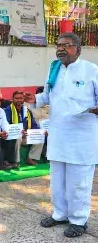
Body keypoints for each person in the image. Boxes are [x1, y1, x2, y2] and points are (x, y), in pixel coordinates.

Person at [24, 32, 98, 238]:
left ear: (78, 49)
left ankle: (79, 220)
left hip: (81, 137)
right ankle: (60, 214)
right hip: (58, 133)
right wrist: (34, 98)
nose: (60, 48)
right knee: (57, 181)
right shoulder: (54, 69)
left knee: (78, 182)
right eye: (58, 45)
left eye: (66, 45)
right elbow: (48, 96)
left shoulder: (91, 71)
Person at [4, 91, 41, 167]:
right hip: (13, 137)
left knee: (40, 136)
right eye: (16, 98)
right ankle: (16, 161)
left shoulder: (27, 111)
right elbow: (6, 126)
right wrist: (18, 132)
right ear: (12, 99)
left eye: (21, 98)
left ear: (24, 99)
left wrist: (39, 131)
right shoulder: (7, 110)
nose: (19, 100)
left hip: (26, 136)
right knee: (18, 138)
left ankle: (31, 158)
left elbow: (34, 125)